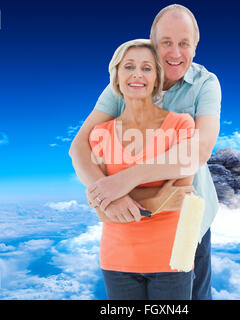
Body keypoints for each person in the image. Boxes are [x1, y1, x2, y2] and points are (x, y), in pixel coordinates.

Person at [69, 4, 221, 300]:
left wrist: (126, 179)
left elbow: (199, 151)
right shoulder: (127, 81)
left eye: (183, 44)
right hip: (129, 223)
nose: (175, 53)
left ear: (195, 46)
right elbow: (79, 147)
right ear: (153, 44)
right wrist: (108, 197)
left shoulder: (206, 84)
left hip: (188, 214)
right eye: (166, 43)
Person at [88, 38, 197, 299]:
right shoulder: (100, 134)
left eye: (147, 68)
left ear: (158, 79)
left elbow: (182, 196)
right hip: (118, 259)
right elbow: (99, 211)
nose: (137, 74)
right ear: (116, 76)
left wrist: (118, 200)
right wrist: (157, 199)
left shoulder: (181, 125)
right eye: (128, 67)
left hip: (175, 255)